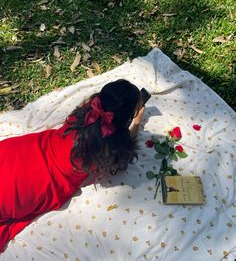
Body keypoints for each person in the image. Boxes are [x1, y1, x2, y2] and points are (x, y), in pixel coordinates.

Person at [0, 79, 145, 252]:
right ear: (124, 120)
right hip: (41, 182)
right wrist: (136, 123)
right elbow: (124, 157)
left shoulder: (82, 113)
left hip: (23, 151)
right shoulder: (112, 147)